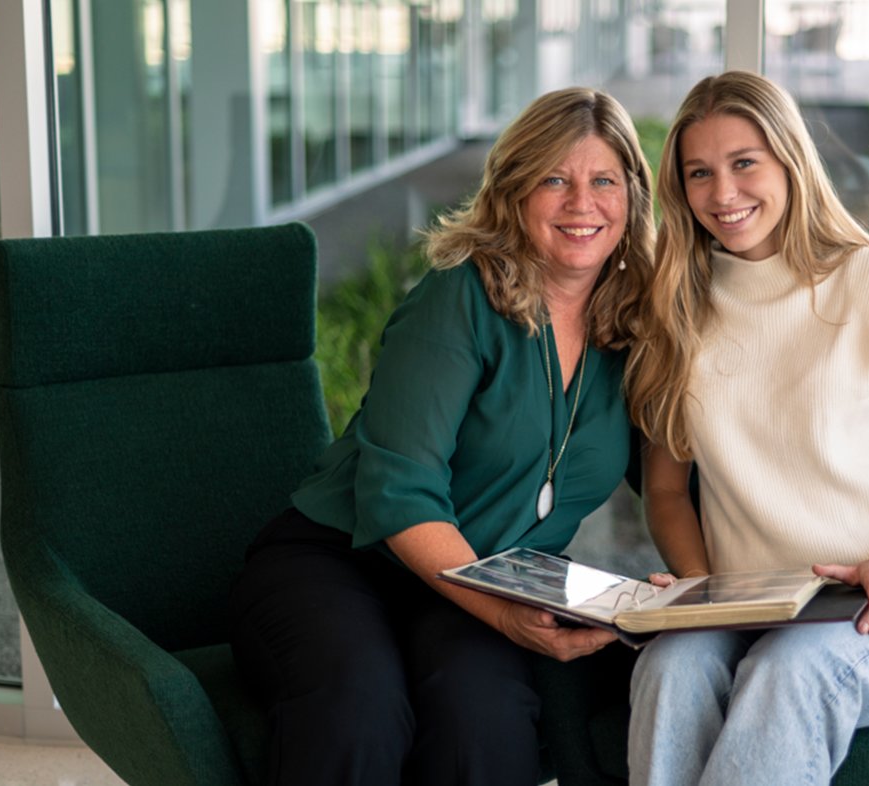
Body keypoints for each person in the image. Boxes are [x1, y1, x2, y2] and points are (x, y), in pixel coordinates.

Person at [229, 87, 654, 786]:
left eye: (604, 180)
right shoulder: (461, 297)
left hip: (491, 582)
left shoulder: (635, 327)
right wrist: (502, 613)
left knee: (481, 720)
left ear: (632, 197)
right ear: (515, 191)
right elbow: (401, 491)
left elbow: (672, 480)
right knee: (359, 706)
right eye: (555, 178)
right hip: (340, 563)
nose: (583, 202)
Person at [623, 70, 869, 786]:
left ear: (790, 160)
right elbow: (666, 493)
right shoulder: (675, 313)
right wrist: (704, 592)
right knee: (670, 665)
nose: (722, 194)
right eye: (699, 173)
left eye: (743, 164)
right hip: (751, 601)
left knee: (789, 670)